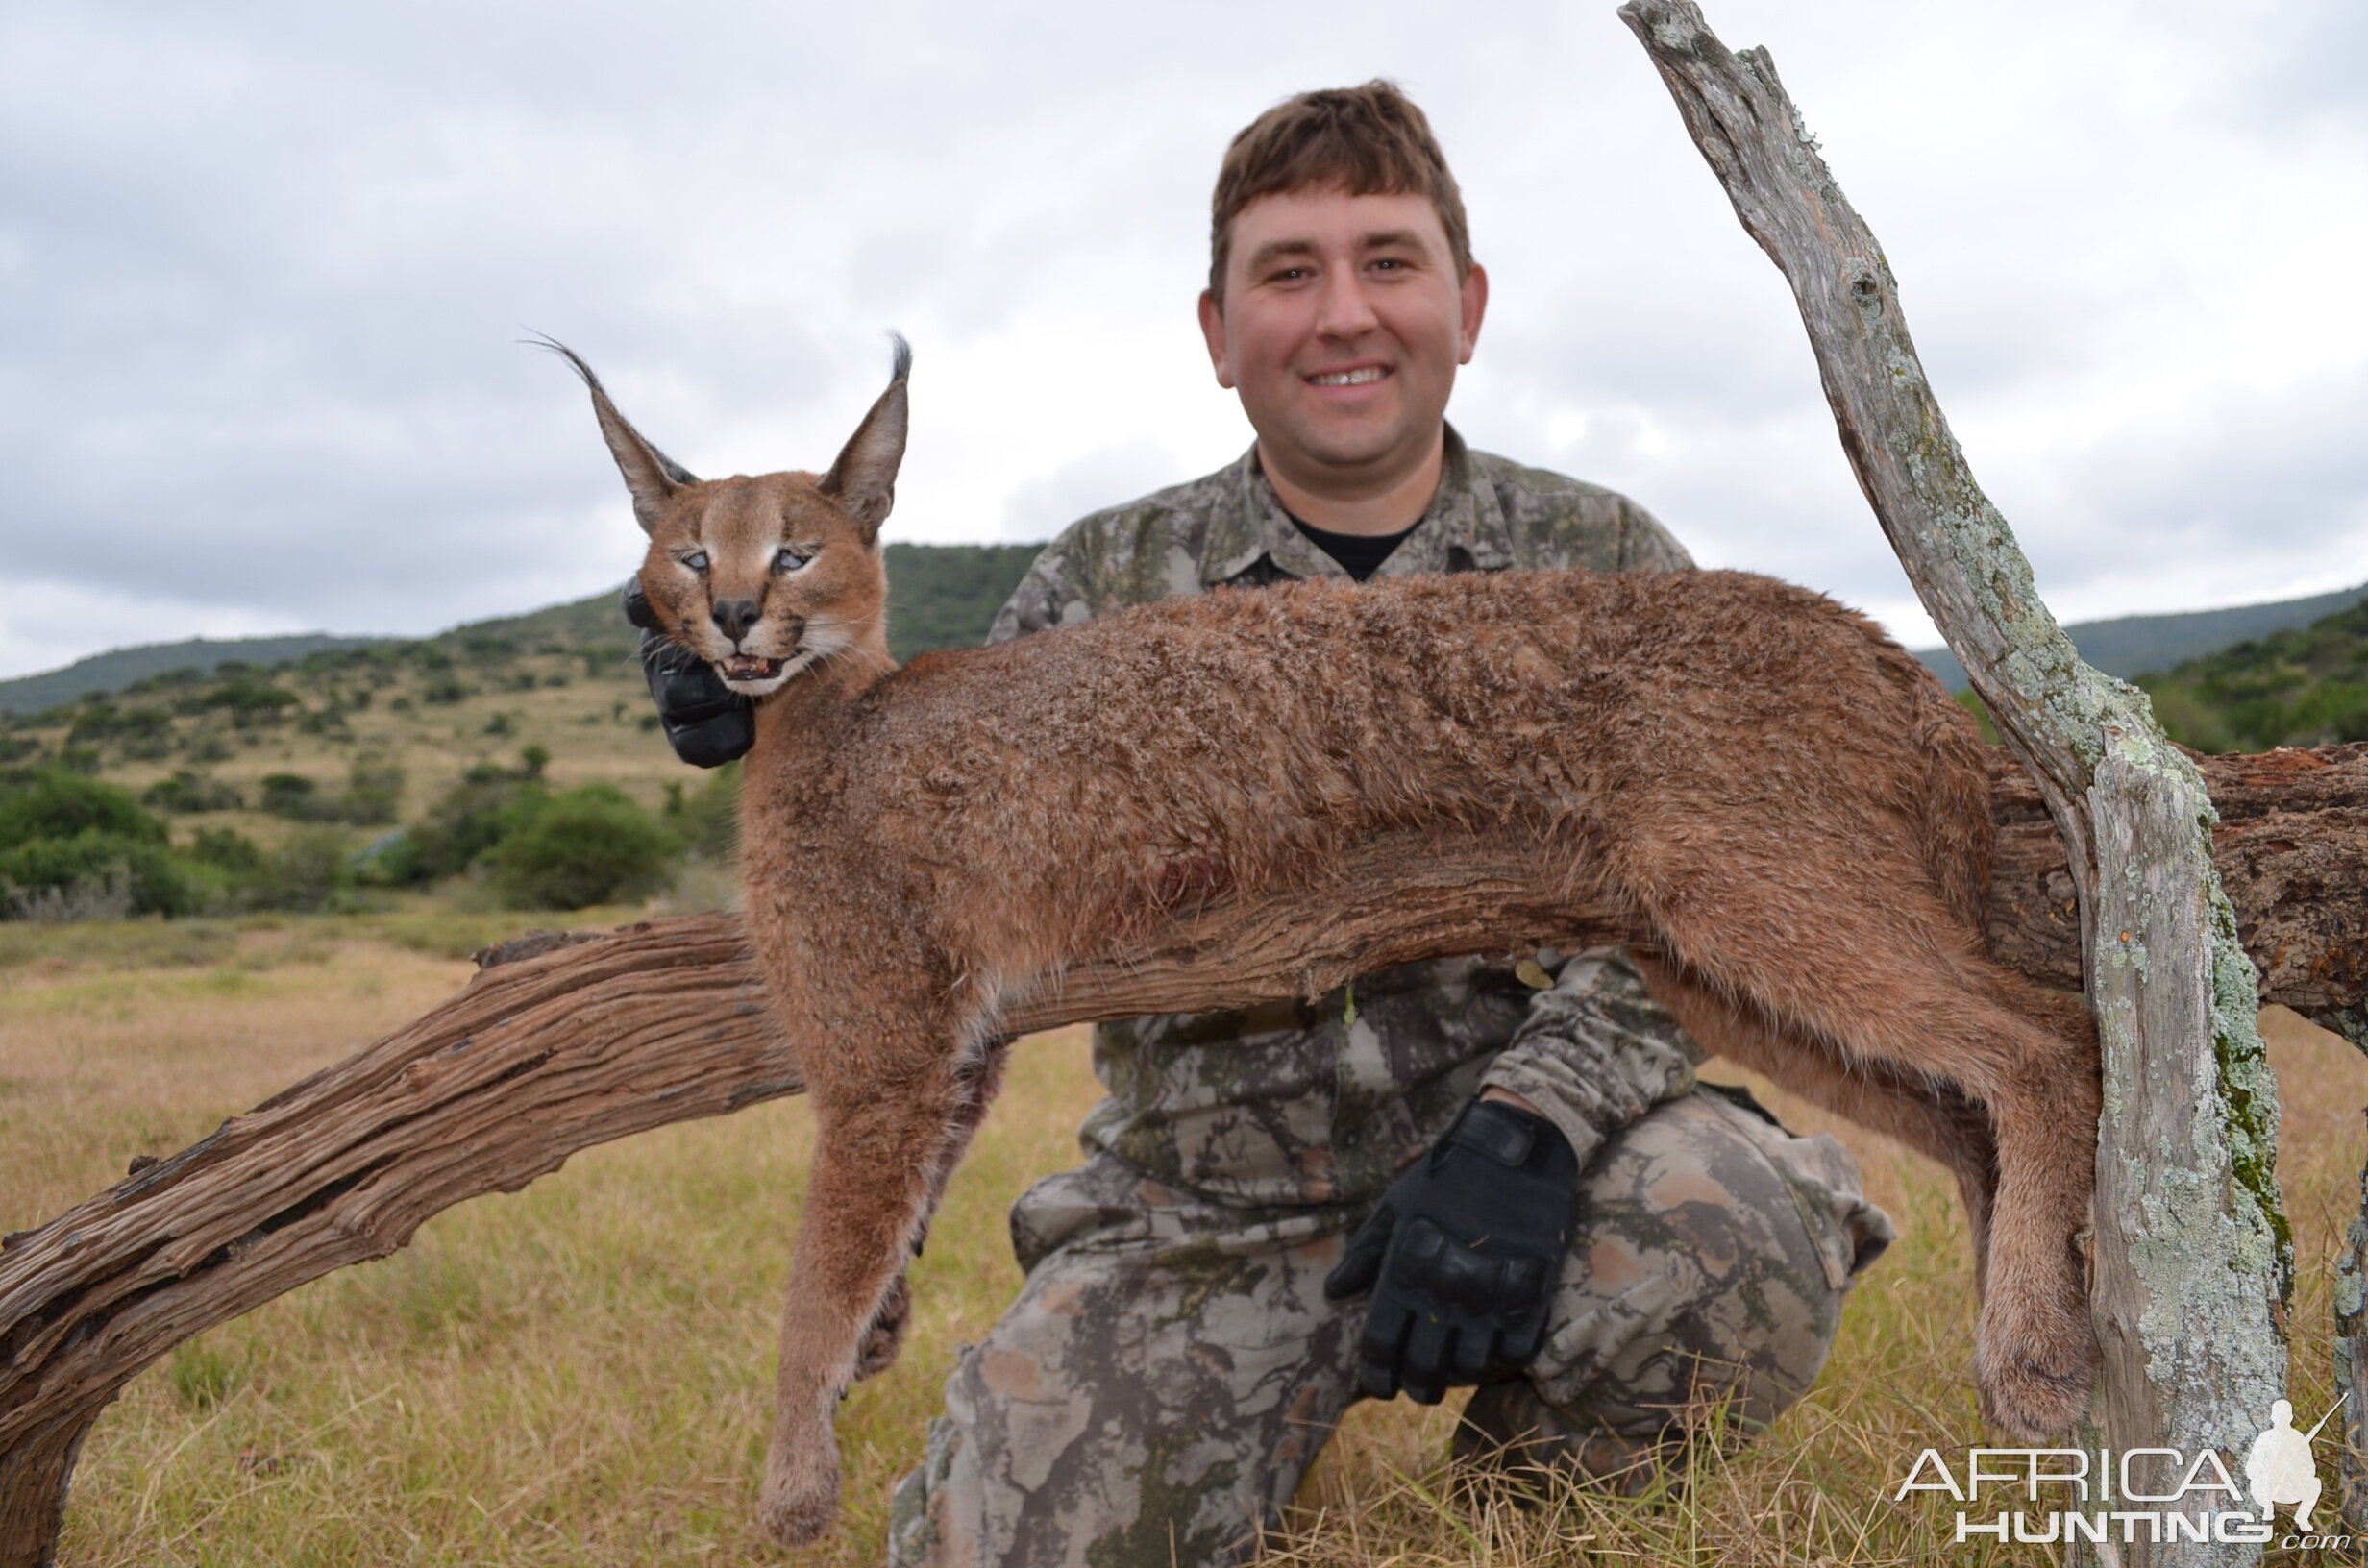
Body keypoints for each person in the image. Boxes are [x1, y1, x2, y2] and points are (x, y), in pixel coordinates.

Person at [635, 81, 1894, 1568]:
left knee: (1732, 1221)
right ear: (1218, 333)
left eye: (1389, 261)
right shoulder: (1109, 578)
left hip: (1533, 1169)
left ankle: (1523, 1521)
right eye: (1289, 273)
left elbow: (1707, 886)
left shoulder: (1604, 558)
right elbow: (943, 950)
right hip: (1204, 1198)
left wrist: (1532, 1126)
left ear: (1468, 304)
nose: (1343, 314)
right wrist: (774, 707)